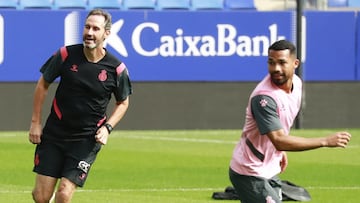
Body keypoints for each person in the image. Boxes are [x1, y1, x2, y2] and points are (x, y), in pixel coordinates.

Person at [28, 9, 132, 203]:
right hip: (55, 134)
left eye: (95, 28)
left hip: (86, 139)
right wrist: (35, 122)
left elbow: (123, 102)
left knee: (64, 194)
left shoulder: (116, 69)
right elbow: (43, 85)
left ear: (106, 33)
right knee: (40, 196)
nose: (89, 33)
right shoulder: (66, 54)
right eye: (87, 27)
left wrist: (108, 128)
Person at [229, 40, 351, 203]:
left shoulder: (297, 84)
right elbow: (279, 140)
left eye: (281, 62)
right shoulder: (264, 98)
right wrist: (324, 141)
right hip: (250, 171)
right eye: (271, 63)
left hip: (269, 167)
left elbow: (281, 129)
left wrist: (279, 151)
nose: (276, 68)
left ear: (295, 63)